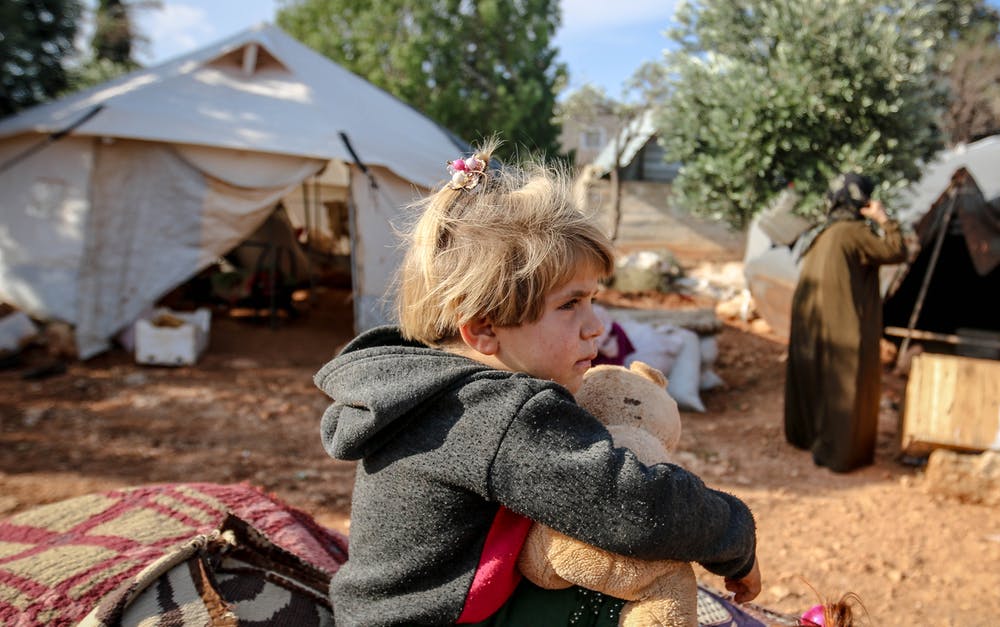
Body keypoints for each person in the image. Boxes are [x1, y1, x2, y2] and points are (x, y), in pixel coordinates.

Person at [314, 139, 760, 626]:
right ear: (483, 328)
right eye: (570, 305)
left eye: (593, 300)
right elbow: (633, 505)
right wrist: (734, 536)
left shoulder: (425, 382)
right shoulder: (495, 411)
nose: (597, 327)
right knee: (650, 575)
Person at [783, 172, 906, 473]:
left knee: (818, 380)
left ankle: (810, 439)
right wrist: (884, 219)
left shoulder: (822, 233)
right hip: (844, 324)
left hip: (813, 323)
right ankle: (840, 453)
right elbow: (896, 251)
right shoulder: (854, 232)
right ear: (862, 200)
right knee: (848, 383)